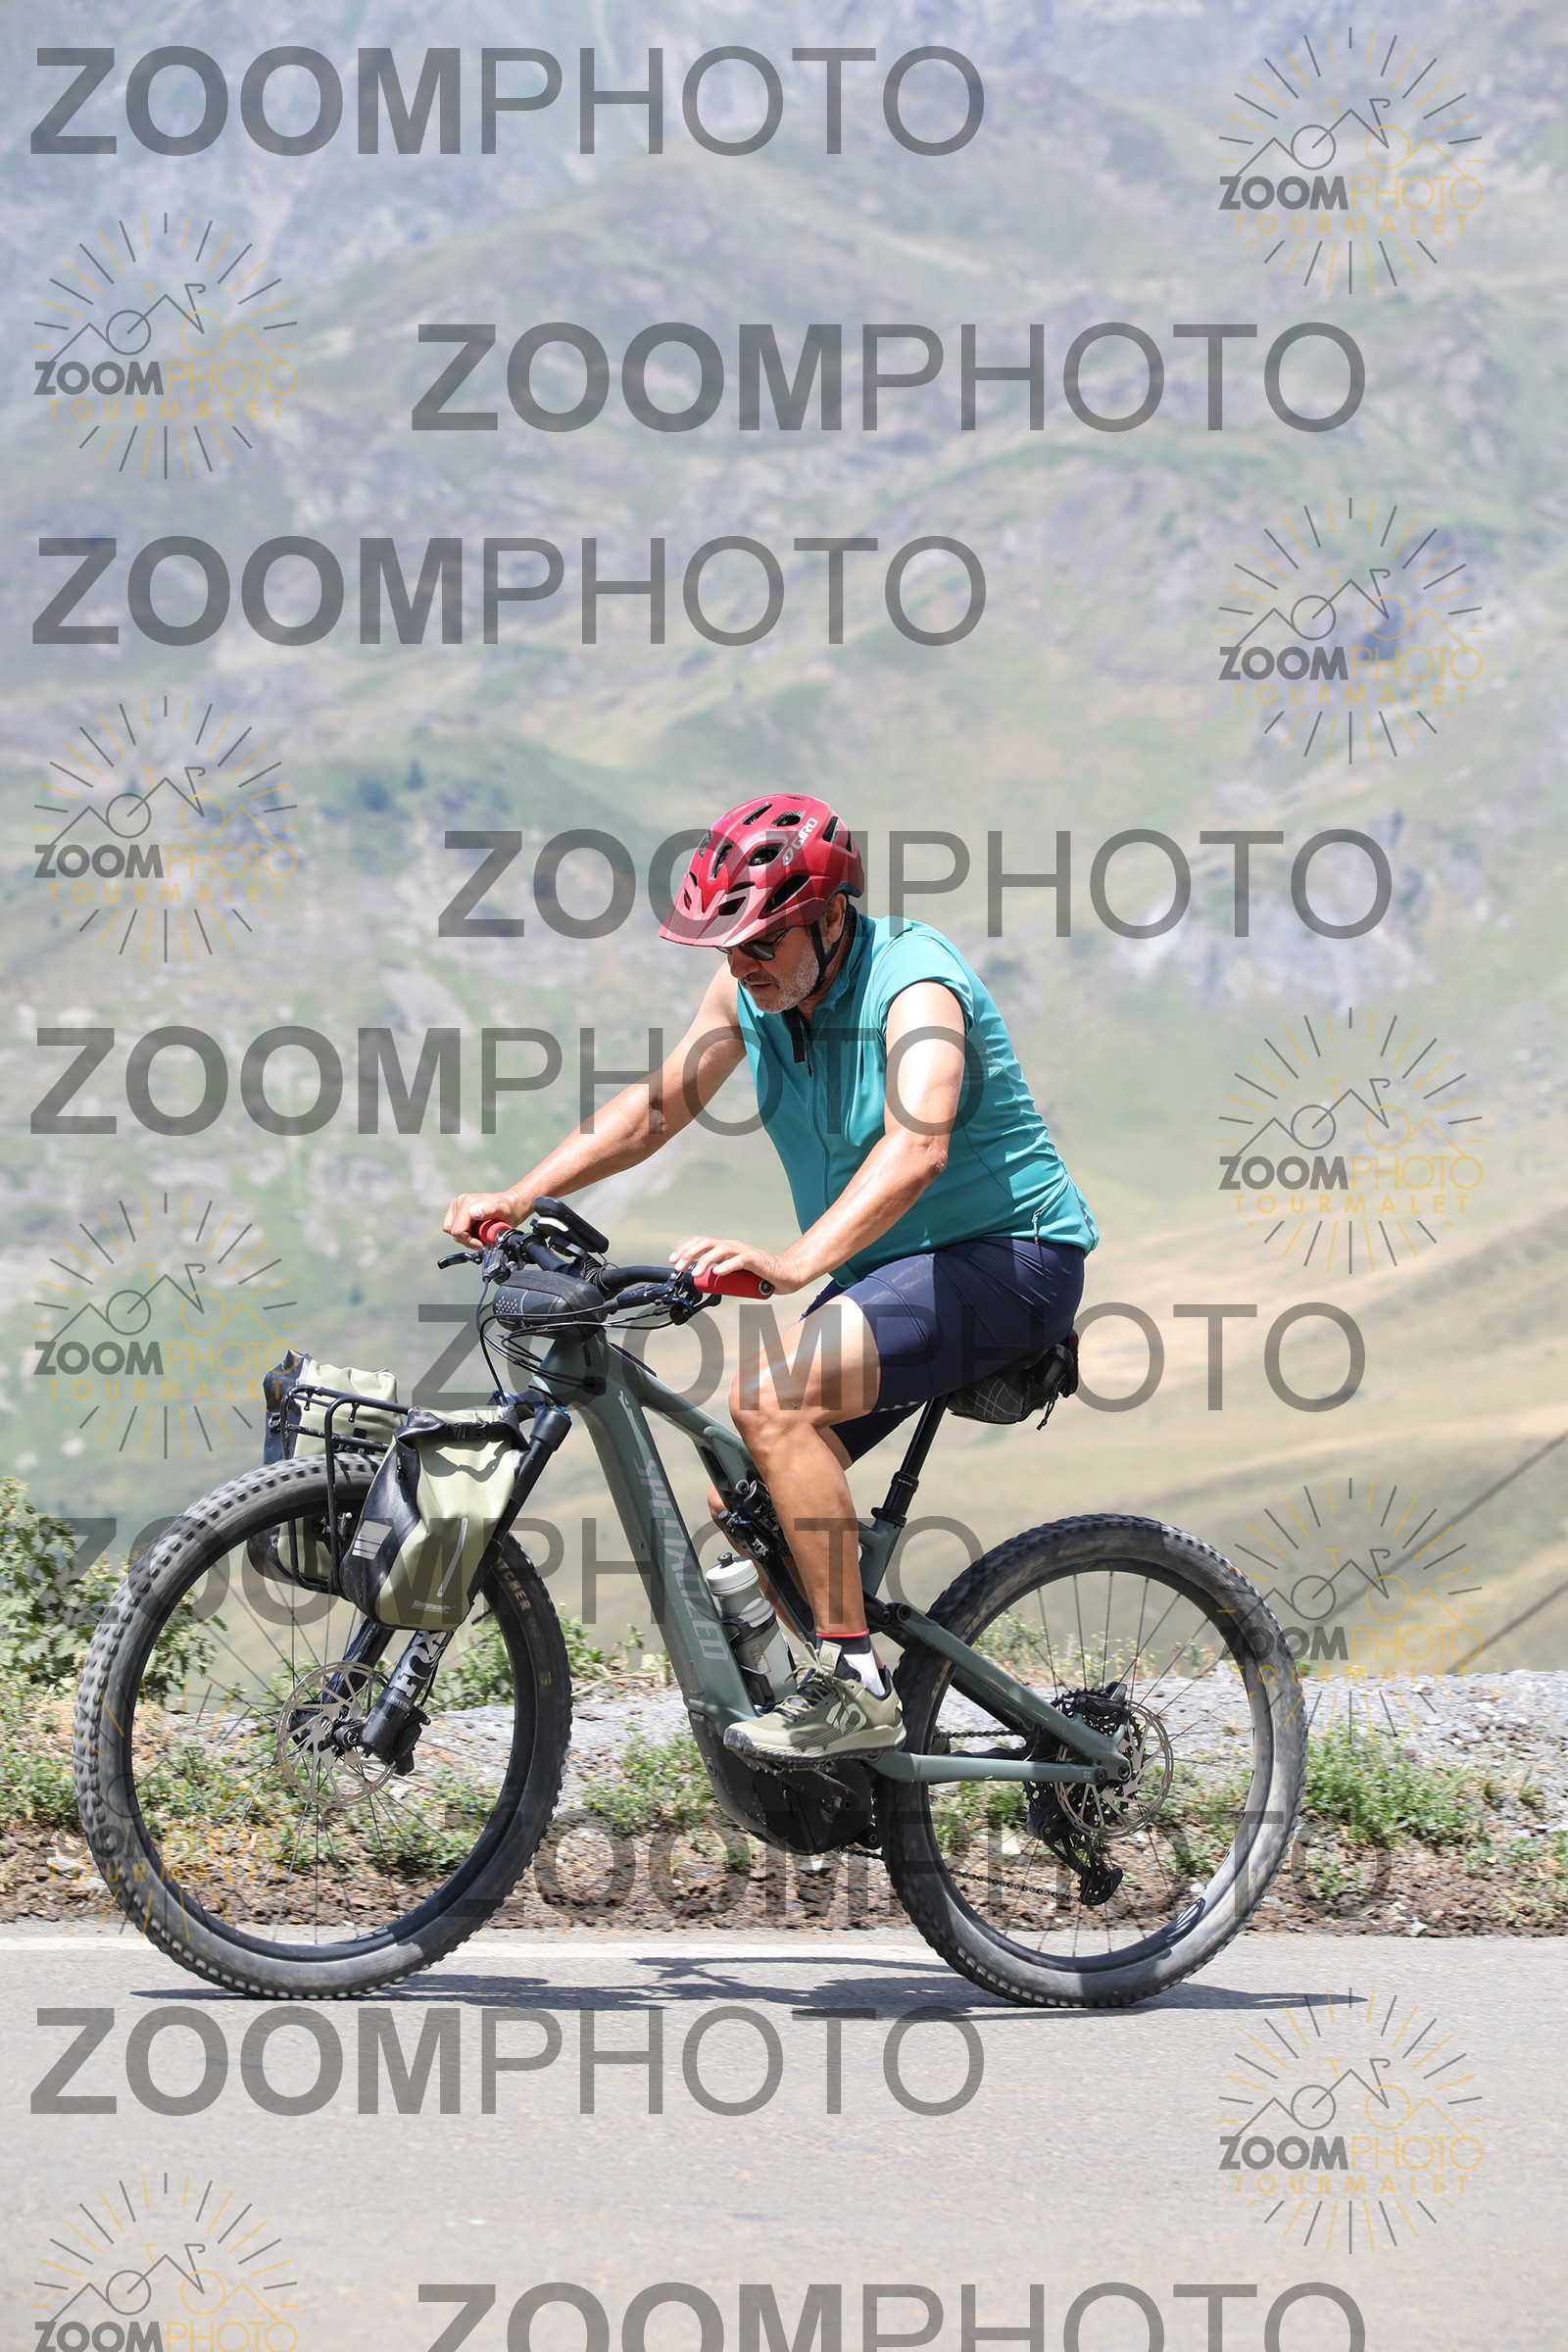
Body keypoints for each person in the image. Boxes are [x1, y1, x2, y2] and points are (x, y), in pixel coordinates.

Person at [444, 795, 1097, 1767]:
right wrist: (521, 1192)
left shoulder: (915, 986)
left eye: (762, 942)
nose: (742, 965)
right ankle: (850, 1732)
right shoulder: (749, 992)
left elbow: (917, 1148)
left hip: (1010, 1258)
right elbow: (658, 1108)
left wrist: (793, 1265)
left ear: (829, 919)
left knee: (771, 1402)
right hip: (892, 1267)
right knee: (750, 1493)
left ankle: (855, 1685)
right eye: (728, 947)